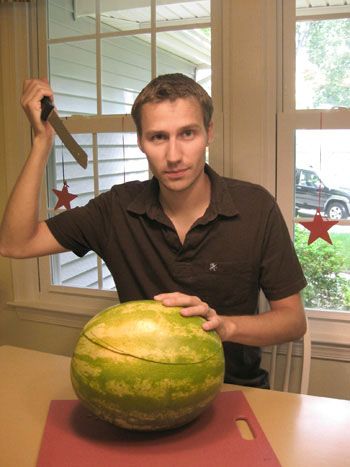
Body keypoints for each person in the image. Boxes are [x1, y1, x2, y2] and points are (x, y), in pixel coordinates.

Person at [0, 73, 307, 388]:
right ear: (140, 141)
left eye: (187, 133)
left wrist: (225, 326)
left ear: (209, 133)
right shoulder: (116, 209)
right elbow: (15, 244)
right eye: (158, 137)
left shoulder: (255, 207)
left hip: (235, 390)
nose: (173, 156)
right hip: (141, 389)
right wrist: (42, 142)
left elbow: (293, 321)